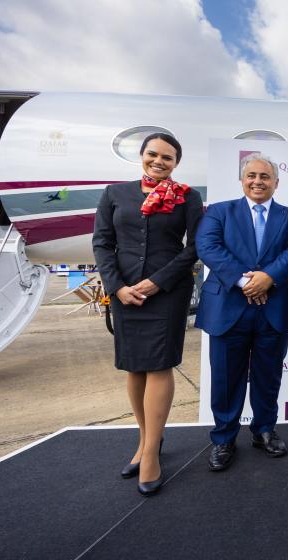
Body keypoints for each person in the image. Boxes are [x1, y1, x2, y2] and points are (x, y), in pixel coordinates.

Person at [92, 132, 203, 496]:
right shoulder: (114, 194)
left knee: (159, 365)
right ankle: (144, 441)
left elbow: (194, 248)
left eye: (167, 158)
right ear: (142, 156)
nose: (159, 161)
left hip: (166, 292)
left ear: (175, 163)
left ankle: (152, 452)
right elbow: (103, 243)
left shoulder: (188, 197)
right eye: (153, 154)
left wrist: (157, 282)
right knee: (134, 366)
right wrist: (116, 287)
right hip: (124, 292)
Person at [195, 153, 288, 471]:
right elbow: (208, 247)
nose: (258, 181)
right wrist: (246, 281)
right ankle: (224, 439)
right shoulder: (219, 212)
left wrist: (268, 278)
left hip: (275, 306)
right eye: (252, 176)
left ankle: (264, 430)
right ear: (242, 180)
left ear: (276, 183)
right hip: (229, 307)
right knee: (226, 377)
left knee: (268, 376)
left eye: (265, 176)